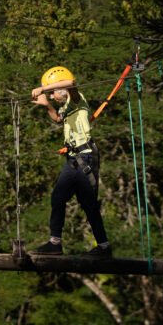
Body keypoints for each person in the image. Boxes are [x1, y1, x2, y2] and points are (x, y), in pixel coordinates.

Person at [31, 66, 112, 258]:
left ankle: (102, 247)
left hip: (84, 156)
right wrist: (47, 106)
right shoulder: (66, 107)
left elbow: (71, 83)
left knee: (85, 203)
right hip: (75, 158)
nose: (52, 97)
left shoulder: (77, 99)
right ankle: (58, 244)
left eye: (53, 93)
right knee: (61, 198)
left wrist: (43, 89)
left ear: (62, 90)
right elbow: (58, 119)